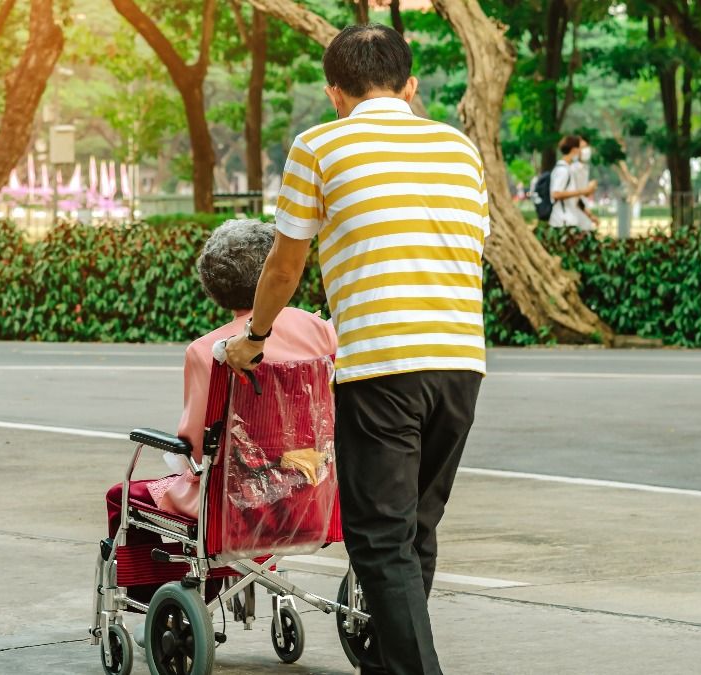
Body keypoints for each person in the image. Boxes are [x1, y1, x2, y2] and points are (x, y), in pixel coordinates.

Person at [223, 24, 486, 675]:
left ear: (334, 92)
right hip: (460, 365)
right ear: (411, 84)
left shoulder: (320, 146)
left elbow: (285, 265)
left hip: (380, 368)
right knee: (414, 533)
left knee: (379, 540)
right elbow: (470, 247)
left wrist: (253, 338)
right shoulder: (459, 150)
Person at [105, 219, 337, 545]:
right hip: (312, 500)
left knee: (123, 495)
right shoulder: (320, 331)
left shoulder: (207, 351)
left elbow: (197, 446)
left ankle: (188, 592)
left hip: (235, 509)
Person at [549, 134, 598, 230]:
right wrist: (583, 191)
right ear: (574, 150)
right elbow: (556, 194)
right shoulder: (562, 170)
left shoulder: (568, 169)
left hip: (569, 222)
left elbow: (575, 199)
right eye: (580, 148)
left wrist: (590, 216)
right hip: (562, 223)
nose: (581, 152)